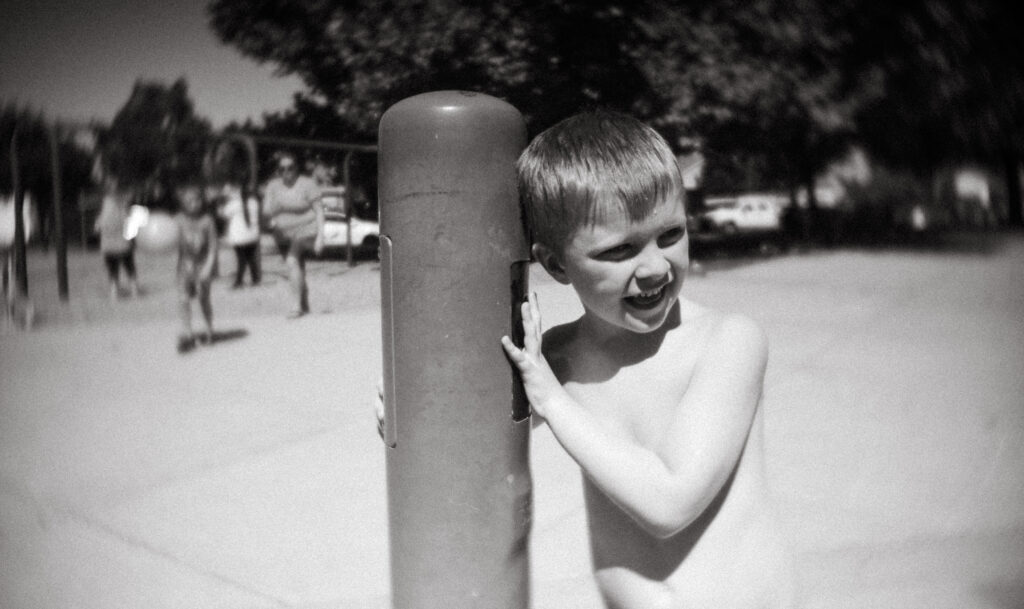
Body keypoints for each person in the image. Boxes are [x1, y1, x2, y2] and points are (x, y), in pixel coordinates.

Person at [499, 111, 793, 608]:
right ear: (555, 265)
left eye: (671, 234)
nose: (655, 266)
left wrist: (550, 398)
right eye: (620, 250)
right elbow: (470, 435)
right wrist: (407, 411)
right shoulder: (559, 360)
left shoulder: (728, 342)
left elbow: (670, 501)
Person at [262, 152, 324, 318]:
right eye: (282, 168)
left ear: (297, 168)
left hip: (306, 229)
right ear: (278, 170)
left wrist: (320, 238)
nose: (286, 171)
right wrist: (277, 210)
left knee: (292, 260)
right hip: (283, 234)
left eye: (290, 167)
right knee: (295, 266)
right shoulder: (273, 186)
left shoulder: (307, 184)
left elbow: (319, 211)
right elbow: (267, 210)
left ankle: (296, 307)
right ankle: (303, 304)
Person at [175, 182, 218, 353]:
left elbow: (214, 247)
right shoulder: (178, 220)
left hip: (202, 265)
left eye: (197, 200)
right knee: (183, 299)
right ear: (184, 203)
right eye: (190, 201)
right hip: (184, 267)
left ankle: (209, 330)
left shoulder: (208, 221)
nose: (194, 203)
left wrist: (208, 267)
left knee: (203, 299)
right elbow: (169, 240)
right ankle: (188, 334)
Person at [93, 179, 139, 300]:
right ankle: (133, 289)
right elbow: (129, 218)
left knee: (113, 265)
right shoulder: (123, 202)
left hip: (109, 241)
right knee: (128, 264)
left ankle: (115, 290)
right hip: (121, 240)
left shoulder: (104, 203)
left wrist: (98, 227)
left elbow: (98, 224)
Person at [217, 180, 261, 288]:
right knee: (250, 257)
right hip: (253, 234)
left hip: (239, 236)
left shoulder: (233, 204)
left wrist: (222, 202)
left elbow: (222, 215)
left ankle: (239, 280)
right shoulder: (254, 202)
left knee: (241, 258)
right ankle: (255, 278)